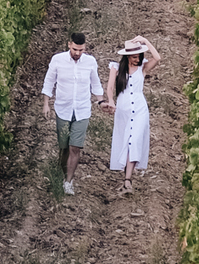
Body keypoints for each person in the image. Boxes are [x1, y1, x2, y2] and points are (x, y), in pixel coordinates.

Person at [41, 31, 106, 196]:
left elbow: (95, 83)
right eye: (75, 49)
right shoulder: (57, 60)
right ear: (69, 45)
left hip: (82, 111)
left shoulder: (90, 62)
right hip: (63, 109)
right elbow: (49, 81)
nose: (77, 53)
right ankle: (61, 173)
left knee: (75, 147)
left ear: (85, 48)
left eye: (81, 50)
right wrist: (46, 104)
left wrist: (101, 101)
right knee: (64, 147)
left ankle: (68, 181)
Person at [106, 34, 160, 194]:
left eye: (139, 56)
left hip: (139, 109)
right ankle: (126, 177)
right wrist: (111, 101)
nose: (137, 59)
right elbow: (110, 87)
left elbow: (157, 58)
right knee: (125, 140)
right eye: (134, 57)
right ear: (127, 56)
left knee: (134, 140)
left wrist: (146, 41)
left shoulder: (143, 67)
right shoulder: (116, 68)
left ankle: (127, 180)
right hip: (123, 109)